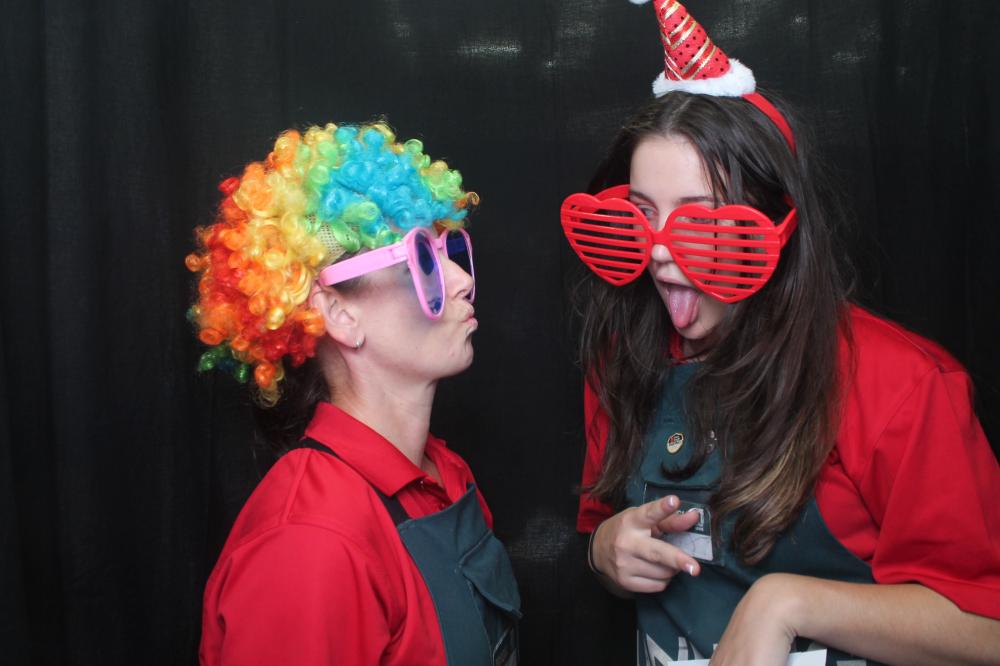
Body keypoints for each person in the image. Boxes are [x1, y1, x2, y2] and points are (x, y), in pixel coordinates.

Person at [562, 2, 1000, 664]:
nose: (660, 253)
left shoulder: (902, 386)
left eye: (700, 222)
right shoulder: (623, 359)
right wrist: (605, 553)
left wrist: (788, 603)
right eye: (641, 215)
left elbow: (985, 627)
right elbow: (602, 529)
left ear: (778, 227)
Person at [186, 121, 520, 665]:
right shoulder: (308, 542)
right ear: (340, 315)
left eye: (449, 249)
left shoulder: (446, 472)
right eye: (422, 261)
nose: (462, 280)